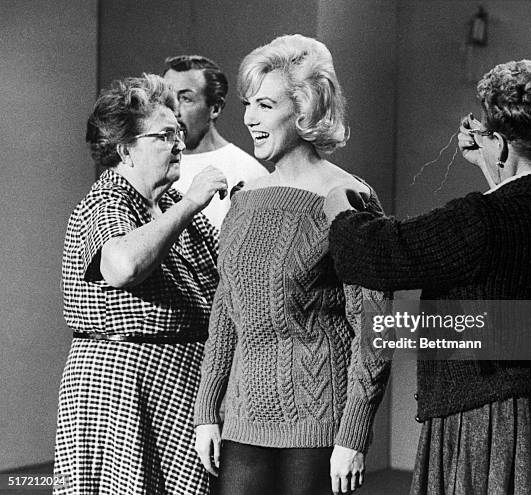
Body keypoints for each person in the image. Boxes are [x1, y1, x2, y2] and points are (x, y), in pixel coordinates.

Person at [324, 60, 531, 494]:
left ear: (505, 144)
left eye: (489, 134)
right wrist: (490, 162)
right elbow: (516, 227)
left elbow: (374, 253)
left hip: (484, 420)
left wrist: (337, 203)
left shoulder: (484, 220)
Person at [192, 34, 391, 495]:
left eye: (264, 104)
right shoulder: (243, 201)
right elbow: (226, 313)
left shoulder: (348, 199)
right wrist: (207, 411)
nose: (249, 118)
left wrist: (354, 433)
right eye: (247, 104)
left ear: (304, 110)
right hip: (242, 421)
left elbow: (374, 327)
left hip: (320, 425)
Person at [54, 74, 227, 495]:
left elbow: (227, 280)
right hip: (119, 391)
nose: (180, 144)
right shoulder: (107, 200)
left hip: (179, 387)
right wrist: (191, 201)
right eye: (165, 136)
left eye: (179, 133)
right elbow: (124, 265)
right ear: (124, 150)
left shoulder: (169, 207)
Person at [163, 55, 268, 231]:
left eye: (186, 99)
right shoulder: (151, 165)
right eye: (168, 98)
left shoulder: (248, 173)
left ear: (215, 108)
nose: (174, 110)